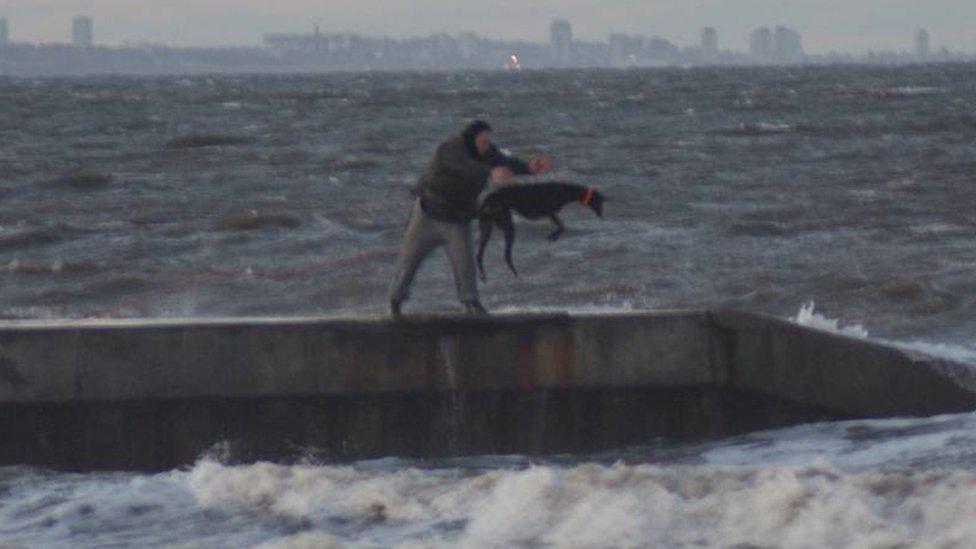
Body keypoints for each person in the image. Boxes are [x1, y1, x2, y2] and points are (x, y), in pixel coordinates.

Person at [389, 120, 552, 317]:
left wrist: (529, 168)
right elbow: (463, 167)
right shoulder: (450, 149)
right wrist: (490, 172)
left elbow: (505, 164)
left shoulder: (487, 152)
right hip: (426, 216)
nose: (487, 145)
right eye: (483, 141)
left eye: (489, 141)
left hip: (457, 220)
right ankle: (395, 302)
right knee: (408, 262)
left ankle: (470, 303)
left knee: (465, 264)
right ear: (471, 139)